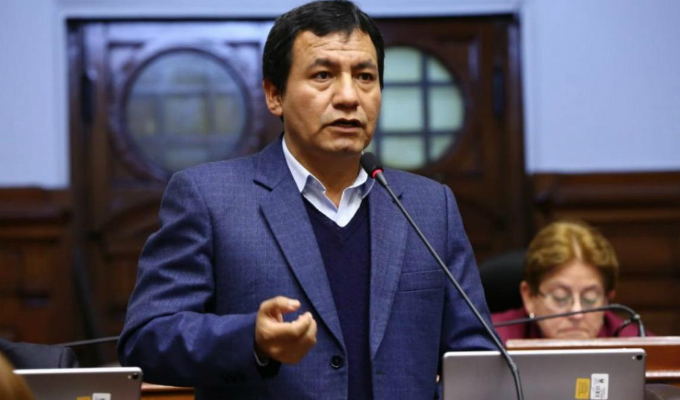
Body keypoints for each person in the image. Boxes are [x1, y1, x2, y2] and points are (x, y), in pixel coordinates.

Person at [118, 1, 495, 399]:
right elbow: (147, 338)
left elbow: (475, 355)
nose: (349, 97)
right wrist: (250, 339)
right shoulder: (209, 197)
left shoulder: (429, 206)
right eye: (323, 75)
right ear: (274, 95)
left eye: (365, 77)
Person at [492, 220, 643, 343]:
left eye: (590, 299)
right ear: (529, 297)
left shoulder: (637, 347)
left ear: (606, 301)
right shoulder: (492, 342)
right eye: (560, 297)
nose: (577, 313)